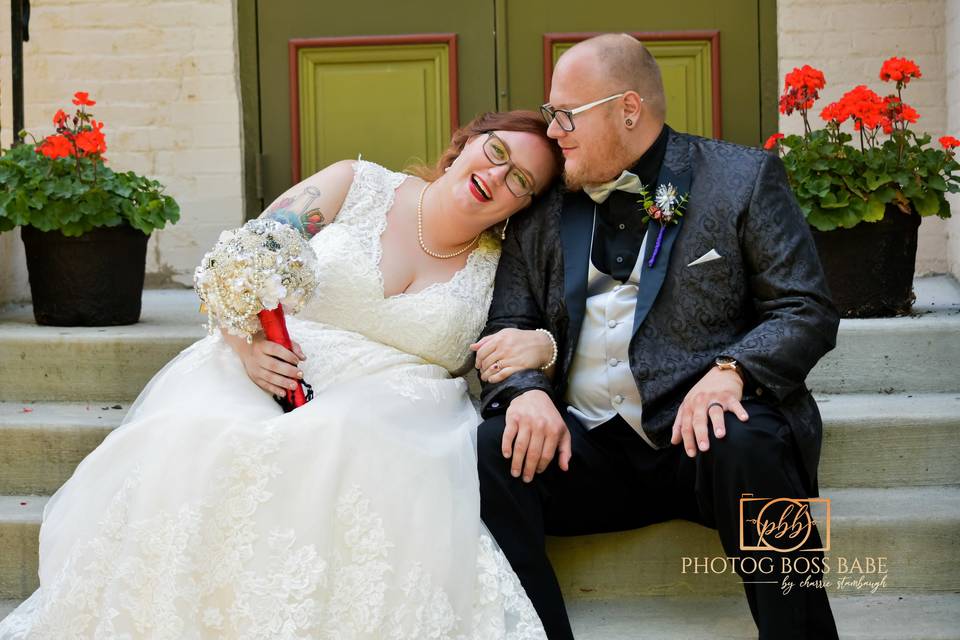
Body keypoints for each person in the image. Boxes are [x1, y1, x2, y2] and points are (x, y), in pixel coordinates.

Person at [0, 110, 561, 639]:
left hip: (399, 407)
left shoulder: (505, 267)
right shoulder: (355, 184)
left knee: (346, 439)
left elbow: (533, 331)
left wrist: (543, 345)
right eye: (494, 152)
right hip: (270, 363)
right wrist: (246, 346)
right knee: (205, 436)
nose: (496, 175)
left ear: (525, 205)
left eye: (519, 180)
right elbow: (241, 258)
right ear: (464, 144)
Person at [472, 35, 841, 639]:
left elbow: (806, 309)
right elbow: (506, 324)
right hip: (584, 447)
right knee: (494, 448)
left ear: (629, 109)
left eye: (567, 114)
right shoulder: (541, 206)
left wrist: (733, 372)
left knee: (750, 441)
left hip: (702, 447)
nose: (554, 130)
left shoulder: (741, 179)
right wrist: (524, 392)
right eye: (550, 113)